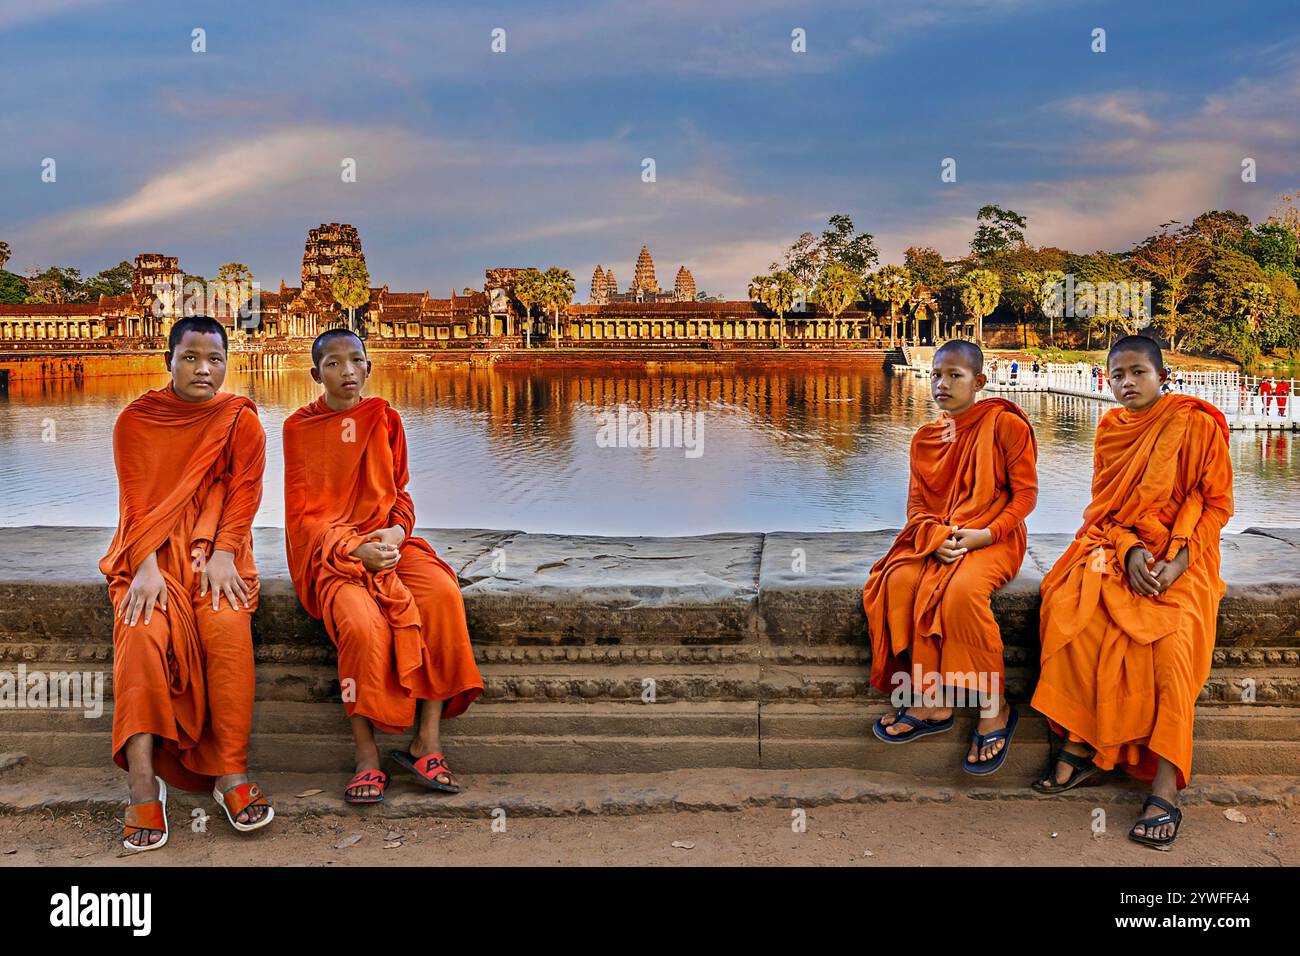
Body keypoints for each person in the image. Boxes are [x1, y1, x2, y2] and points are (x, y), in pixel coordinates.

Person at [1031, 335, 1233, 849]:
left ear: (1162, 375)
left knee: (1173, 647)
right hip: (1121, 547)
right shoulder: (1108, 428)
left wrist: (1177, 562)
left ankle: (1165, 783)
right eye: (1117, 374)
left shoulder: (1196, 422)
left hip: (1186, 553)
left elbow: (1216, 506)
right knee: (1072, 608)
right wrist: (1127, 551)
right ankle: (1079, 745)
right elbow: (1105, 510)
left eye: (1138, 372)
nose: (1126, 384)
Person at [283, 329, 484, 804]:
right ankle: (366, 755)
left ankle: (426, 742)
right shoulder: (299, 428)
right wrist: (355, 550)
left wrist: (395, 533)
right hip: (333, 553)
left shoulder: (385, 418)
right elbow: (302, 517)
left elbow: (400, 494)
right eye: (333, 363)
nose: (347, 371)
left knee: (440, 595)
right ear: (316, 374)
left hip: (388, 540)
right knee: (361, 625)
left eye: (356, 360)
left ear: (369, 367)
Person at [100, 315, 273, 853]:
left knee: (226, 627)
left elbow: (244, 495)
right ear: (167, 360)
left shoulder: (240, 419)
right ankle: (142, 781)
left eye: (214, 359)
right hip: (148, 551)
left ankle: (228, 772)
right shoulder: (136, 419)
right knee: (140, 630)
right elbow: (136, 501)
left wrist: (224, 554)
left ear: (227, 362)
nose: (203, 369)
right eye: (190, 357)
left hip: (218, 548)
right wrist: (145, 566)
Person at [863, 339, 1038, 775]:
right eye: (937, 375)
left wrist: (984, 535)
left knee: (960, 593)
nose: (942, 384)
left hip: (994, 537)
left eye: (954, 376)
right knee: (900, 581)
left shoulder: (1004, 425)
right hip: (942, 536)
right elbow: (916, 508)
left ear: (978, 382)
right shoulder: (924, 439)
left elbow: (1026, 497)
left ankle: (994, 708)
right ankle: (931, 702)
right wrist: (935, 536)